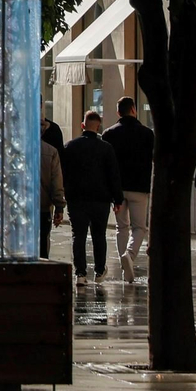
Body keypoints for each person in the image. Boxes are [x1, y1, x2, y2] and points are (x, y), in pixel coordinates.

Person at [63, 110, 124, 285]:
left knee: (78, 235)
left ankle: (80, 273)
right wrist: (117, 199)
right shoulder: (106, 148)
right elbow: (113, 175)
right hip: (100, 199)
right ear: (99, 126)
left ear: (83, 125)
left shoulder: (70, 146)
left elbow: (64, 174)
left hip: (77, 199)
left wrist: (64, 195)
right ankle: (99, 271)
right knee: (99, 235)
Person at [103, 96, 155, 282]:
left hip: (117, 188)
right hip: (139, 187)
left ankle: (125, 268)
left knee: (121, 227)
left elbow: (106, 164)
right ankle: (130, 255)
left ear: (118, 112)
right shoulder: (147, 134)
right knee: (140, 227)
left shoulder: (109, 134)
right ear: (134, 109)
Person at [40, 138, 66, 260]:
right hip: (42, 205)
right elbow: (56, 181)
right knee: (43, 245)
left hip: (18, 207)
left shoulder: (13, 148)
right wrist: (59, 206)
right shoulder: (50, 151)